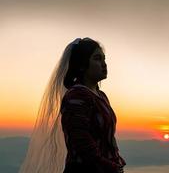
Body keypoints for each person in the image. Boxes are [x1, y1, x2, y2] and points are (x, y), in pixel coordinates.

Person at [20, 38, 126, 173]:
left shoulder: (101, 96)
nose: (104, 64)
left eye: (104, 59)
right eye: (97, 59)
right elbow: (81, 143)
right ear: (82, 65)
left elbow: (107, 137)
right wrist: (108, 167)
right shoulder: (77, 96)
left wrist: (115, 161)